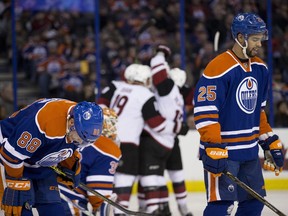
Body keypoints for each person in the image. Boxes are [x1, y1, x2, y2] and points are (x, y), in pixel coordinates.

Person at [193, 12, 284, 216]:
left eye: (261, 39)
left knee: (254, 203)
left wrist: (268, 139)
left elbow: (257, 111)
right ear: (241, 38)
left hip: (249, 152)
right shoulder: (218, 68)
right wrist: (213, 145)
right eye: (254, 39)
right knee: (222, 205)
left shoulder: (261, 68)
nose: (259, 44)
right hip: (225, 152)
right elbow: (205, 112)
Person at [0, 98, 103, 216]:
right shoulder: (46, 121)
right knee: (20, 209)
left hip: (36, 159)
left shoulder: (82, 125)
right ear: (71, 123)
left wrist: (69, 166)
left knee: (54, 210)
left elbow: (68, 145)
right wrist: (15, 183)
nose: (81, 143)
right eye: (80, 138)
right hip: (7, 158)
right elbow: (11, 155)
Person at [97, 63, 177, 215]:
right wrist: (176, 126)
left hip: (104, 140)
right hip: (127, 143)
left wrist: (109, 122)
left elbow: (100, 105)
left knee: (106, 178)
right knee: (124, 179)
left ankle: (102, 209)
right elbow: (156, 124)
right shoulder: (145, 94)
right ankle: (119, 212)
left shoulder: (116, 86)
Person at [136, 46, 190, 215]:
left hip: (154, 139)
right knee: (168, 177)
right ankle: (175, 209)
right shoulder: (179, 96)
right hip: (170, 140)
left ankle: (151, 209)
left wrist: (160, 53)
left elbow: (158, 72)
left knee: (149, 177)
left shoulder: (167, 89)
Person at [59, 107, 122, 216]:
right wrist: (101, 206)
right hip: (69, 197)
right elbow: (99, 194)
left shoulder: (75, 135)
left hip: (49, 189)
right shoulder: (108, 147)